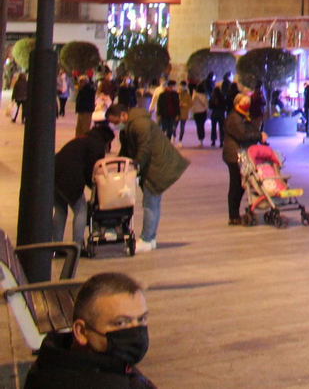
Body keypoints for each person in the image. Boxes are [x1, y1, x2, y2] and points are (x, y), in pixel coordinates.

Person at [23, 270, 156, 389]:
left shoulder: (61, 356)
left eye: (141, 319)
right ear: (81, 332)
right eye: (120, 323)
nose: (136, 331)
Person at [106, 98, 189, 253]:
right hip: (152, 166)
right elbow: (127, 149)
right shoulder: (131, 125)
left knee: (150, 203)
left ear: (123, 115)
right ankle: (150, 238)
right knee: (151, 203)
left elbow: (145, 148)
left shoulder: (139, 124)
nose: (114, 126)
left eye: (115, 121)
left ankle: (147, 238)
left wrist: (135, 166)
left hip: (156, 166)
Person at [52, 119, 115, 251]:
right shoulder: (97, 145)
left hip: (54, 173)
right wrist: (97, 188)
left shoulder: (83, 139)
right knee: (81, 210)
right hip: (70, 178)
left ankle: (56, 245)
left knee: (60, 210)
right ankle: (77, 245)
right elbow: (92, 171)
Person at [222, 93, 263, 224]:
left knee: (241, 184)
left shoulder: (243, 116)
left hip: (242, 154)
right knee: (236, 185)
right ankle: (233, 216)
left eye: (248, 102)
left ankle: (236, 213)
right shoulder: (234, 118)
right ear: (237, 104)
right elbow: (242, 135)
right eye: (244, 102)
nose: (247, 104)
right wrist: (259, 136)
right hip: (234, 155)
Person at [205, 82, 226, 147]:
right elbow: (224, 107)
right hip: (221, 114)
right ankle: (221, 141)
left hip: (214, 114)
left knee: (213, 128)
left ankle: (213, 141)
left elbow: (210, 106)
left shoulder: (212, 98)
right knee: (221, 128)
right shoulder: (222, 98)